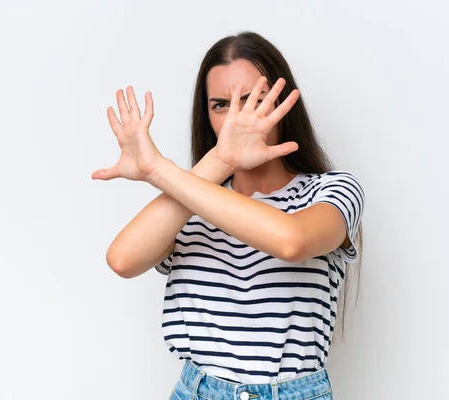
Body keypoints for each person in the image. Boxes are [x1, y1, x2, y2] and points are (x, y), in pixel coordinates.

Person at [92, 31, 365, 400]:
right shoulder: (189, 199)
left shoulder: (331, 190)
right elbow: (122, 260)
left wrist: (158, 169)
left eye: (255, 99)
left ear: (284, 105)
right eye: (221, 104)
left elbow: (292, 241)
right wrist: (219, 162)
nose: (238, 118)